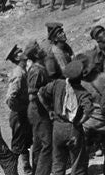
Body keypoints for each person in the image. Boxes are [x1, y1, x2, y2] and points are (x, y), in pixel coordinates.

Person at [39, 60, 92, 175]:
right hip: (74, 129)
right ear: (81, 76)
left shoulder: (57, 84)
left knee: (58, 163)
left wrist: (49, 110)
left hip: (57, 128)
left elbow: (40, 93)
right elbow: (89, 111)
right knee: (78, 163)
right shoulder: (83, 92)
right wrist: (80, 122)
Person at [24, 42, 53, 175]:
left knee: (38, 144)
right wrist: (49, 109)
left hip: (37, 110)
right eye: (39, 49)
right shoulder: (37, 70)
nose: (42, 49)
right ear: (36, 54)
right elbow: (33, 95)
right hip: (39, 111)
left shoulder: (38, 67)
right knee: (47, 144)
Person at [5, 45, 34, 175]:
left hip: (24, 114)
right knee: (17, 147)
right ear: (17, 57)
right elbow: (10, 98)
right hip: (19, 116)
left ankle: (27, 169)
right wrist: (21, 109)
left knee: (26, 142)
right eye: (20, 51)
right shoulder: (18, 73)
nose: (23, 52)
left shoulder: (23, 70)